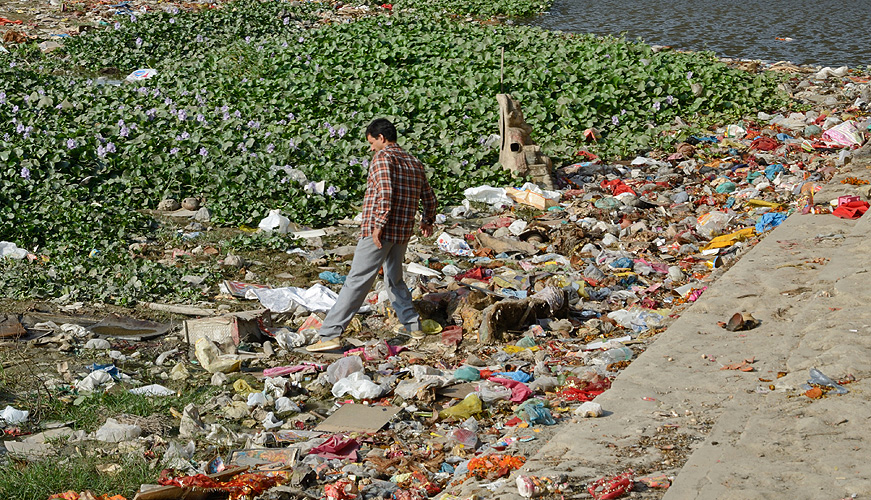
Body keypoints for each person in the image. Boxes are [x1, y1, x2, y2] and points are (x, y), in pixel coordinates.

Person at [307, 118, 438, 352]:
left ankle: (330, 334)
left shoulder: (383, 158)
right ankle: (412, 325)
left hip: (379, 232)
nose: (371, 148)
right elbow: (429, 197)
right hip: (402, 231)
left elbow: (385, 193)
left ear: (381, 138)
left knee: (357, 281)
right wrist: (427, 220)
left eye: (371, 142)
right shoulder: (414, 162)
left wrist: (378, 225)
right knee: (394, 279)